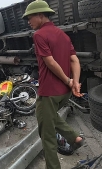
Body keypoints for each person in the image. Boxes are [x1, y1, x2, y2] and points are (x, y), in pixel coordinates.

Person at [22, 1, 84, 169]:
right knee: (45, 116)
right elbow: (74, 60)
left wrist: (67, 80)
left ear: (41, 15)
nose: (28, 21)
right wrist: (74, 82)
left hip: (49, 91)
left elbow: (49, 62)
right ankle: (74, 137)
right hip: (64, 93)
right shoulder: (63, 35)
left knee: (47, 135)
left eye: (30, 17)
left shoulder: (39, 35)